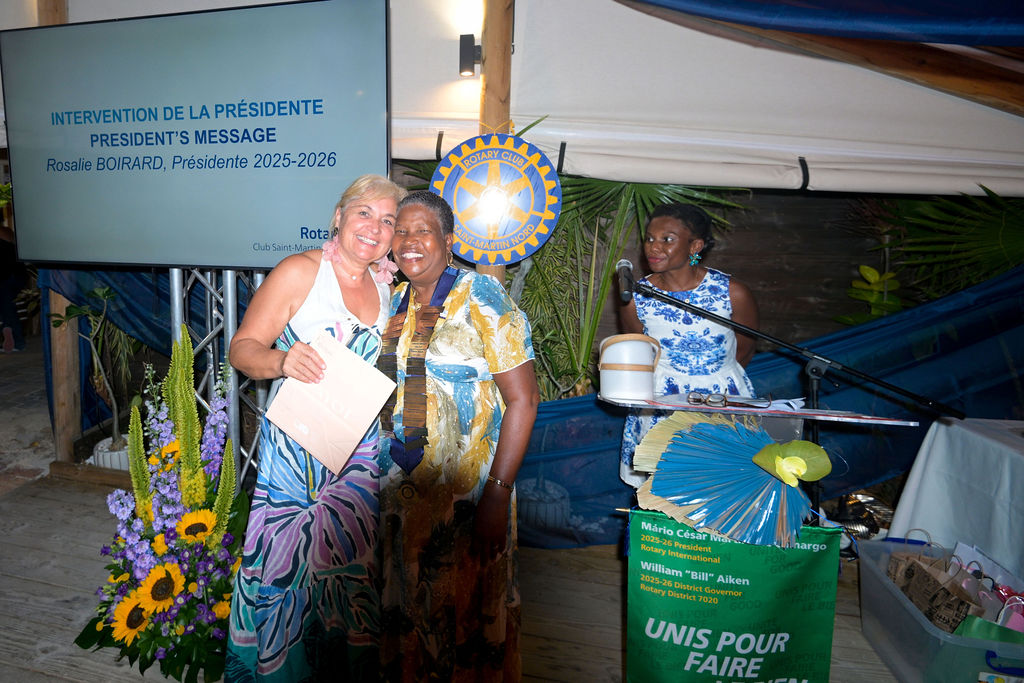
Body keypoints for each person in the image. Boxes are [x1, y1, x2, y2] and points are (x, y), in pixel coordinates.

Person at [224, 174, 407, 681]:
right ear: (339, 217)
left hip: (363, 463)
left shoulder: (388, 287)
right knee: (291, 572)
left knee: (352, 575)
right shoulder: (300, 272)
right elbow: (242, 349)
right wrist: (282, 361)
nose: (374, 227)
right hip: (299, 462)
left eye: (387, 220)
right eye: (364, 213)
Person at [377, 191, 540, 681]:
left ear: (448, 241)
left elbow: (524, 401)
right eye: (400, 231)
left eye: (422, 230)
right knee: (408, 613)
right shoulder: (394, 301)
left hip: (469, 494)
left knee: (469, 614)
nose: (409, 240)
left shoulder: (481, 295)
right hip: (399, 492)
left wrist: (497, 494)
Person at [618, 203, 759, 487]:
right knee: (663, 493)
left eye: (667, 239)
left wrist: (710, 379)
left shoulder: (732, 293)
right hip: (662, 404)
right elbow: (638, 351)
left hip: (723, 402)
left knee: (725, 488)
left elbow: (745, 348)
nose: (654, 247)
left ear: (694, 246)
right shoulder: (636, 298)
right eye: (650, 238)